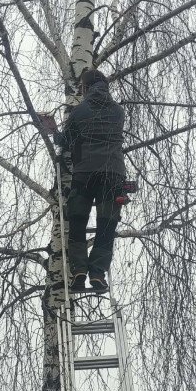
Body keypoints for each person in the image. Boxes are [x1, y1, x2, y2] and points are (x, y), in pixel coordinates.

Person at [51, 69, 127, 293]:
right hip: (112, 174)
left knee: (77, 224)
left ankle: (79, 272)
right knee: (106, 226)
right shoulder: (118, 111)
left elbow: (67, 141)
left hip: (84, 174)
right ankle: (97, 274)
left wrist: (53, 130)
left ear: (84, 88)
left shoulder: (79, 112)